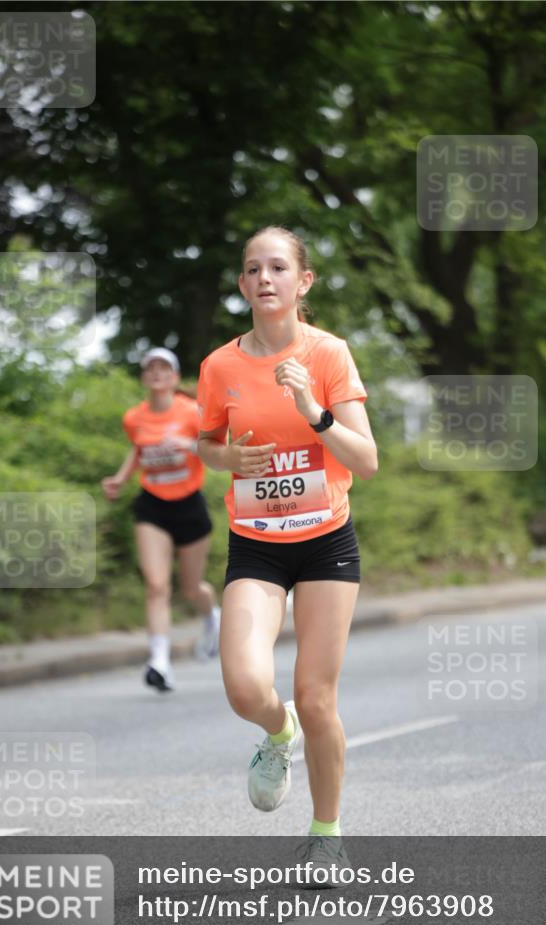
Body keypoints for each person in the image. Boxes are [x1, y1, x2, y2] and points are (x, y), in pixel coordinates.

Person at [197, 226, 378, 878]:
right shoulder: (219, 366)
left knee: (316, 694)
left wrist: (313, 411)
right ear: (244, 285)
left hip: (326, 541)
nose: (264, 277)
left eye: (278, 267)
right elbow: (206, 446)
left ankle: (325, 833)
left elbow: (368, 459)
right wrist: (227, 457)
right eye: (253, 268)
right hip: (256, 546)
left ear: (302, 283)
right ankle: (278, 734)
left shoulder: (328, 354)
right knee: (246, 685)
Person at [102, 347, 221, 692]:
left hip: (189, 506)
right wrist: (120, 479)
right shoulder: (134, 418)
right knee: (156, 586)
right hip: (152, 505)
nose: (156, 373)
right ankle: (160, 662)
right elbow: (138, 449)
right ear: (143, 377)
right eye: (150, 368)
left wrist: (188, 443)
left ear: (173, 376)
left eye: (163, 367)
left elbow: (216, 447)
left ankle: (211, 614)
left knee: (190, 587)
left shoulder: (190, 413)